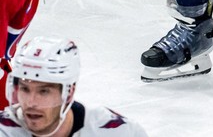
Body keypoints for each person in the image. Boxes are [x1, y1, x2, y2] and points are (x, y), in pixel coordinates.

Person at [0, 36, 148, 136]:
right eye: (25, 89)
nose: (31, 102)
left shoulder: (115, 131)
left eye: (44, 91)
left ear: (69, 93)